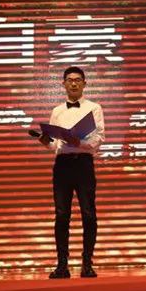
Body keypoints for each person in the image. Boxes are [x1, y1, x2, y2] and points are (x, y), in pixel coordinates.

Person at [39, 66, 105, 279]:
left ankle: (87, 264)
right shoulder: (57, 110)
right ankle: (62, 265)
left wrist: (80, 143)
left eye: (77, 80)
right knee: (61, 215)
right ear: (63, 84)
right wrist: (45, 141)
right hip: (62, 165)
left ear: (84, 83)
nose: (73, 83)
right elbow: (55, 145)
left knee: (88, 213)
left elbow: (99, 138)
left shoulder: (94, 108)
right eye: (69, 80)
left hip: (84, 163)